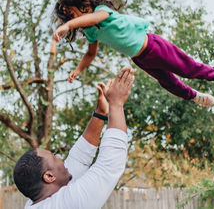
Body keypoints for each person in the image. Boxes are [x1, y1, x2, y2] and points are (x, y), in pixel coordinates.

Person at [53, 0, 214, 107]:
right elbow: (91, 54)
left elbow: (93, 18)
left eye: (72, 13)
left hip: (153, 46)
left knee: (186, 68)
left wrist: (67, 25)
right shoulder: (91, 31)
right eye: (69, 17)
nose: (72, 18)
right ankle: (194, 96)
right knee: (167, 82)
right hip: (140, 58)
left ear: (82, 4)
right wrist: (78, 70)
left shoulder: (101, 12)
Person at [13, 66, 134, 209]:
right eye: (54, 156)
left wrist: (101, 113)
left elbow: (79, 159)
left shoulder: (37, 202)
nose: (60, 159)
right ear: (49, 177)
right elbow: (109, 165)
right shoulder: (68, 204)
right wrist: (116, 103)